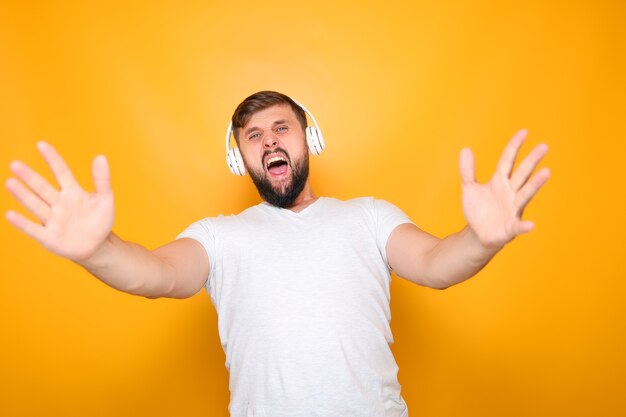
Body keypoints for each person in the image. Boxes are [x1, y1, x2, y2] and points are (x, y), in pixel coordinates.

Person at [4, 91, 550, 417]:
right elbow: (157, 273)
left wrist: (482, 239)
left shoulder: (368, 215)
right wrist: (95, 250)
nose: (268, 141)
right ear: (240, 156)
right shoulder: (219, 236)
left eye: (281, 127)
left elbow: (434, 265)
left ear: (307, 139)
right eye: (252, 135)